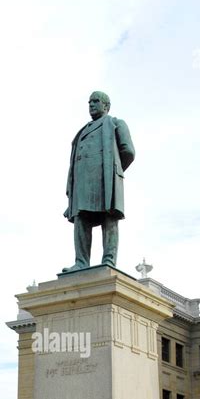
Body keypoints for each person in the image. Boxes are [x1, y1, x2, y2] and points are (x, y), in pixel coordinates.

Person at [62, 91, 135, 273]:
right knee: (81, 220)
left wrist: (111, 172)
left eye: (96, 101)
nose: (92, 105)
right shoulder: (82, 131)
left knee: (109, 218)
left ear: (106, 106)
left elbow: (128, 152)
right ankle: (81, 262)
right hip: (81, 184)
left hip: (105, 179)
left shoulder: (115, 123)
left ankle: (109, 259)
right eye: (89, 102)